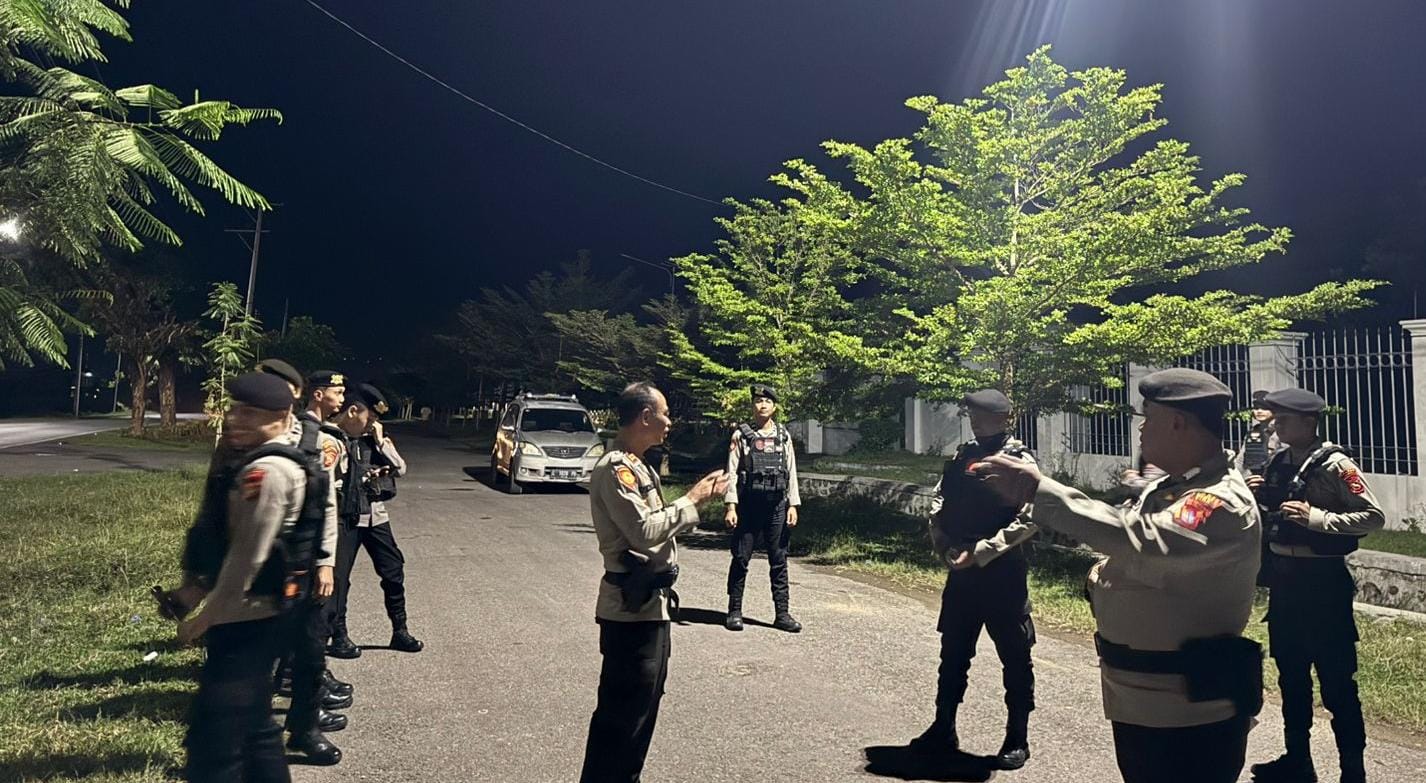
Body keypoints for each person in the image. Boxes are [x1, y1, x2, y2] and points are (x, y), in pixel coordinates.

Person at [972, 368, 1263, 783]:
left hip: (1188, 713)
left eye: (1149, 417)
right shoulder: (1170, 488)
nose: (1141, 428)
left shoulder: (1216, 501)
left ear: (1177, 423)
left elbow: (1141, 539)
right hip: (1146, 701)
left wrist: (1039, 490)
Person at [175, 372, 323, 783]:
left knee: (215, 744)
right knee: (258, 730)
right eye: (236, 410)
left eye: (251, 413)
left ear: (280, 417)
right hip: (260, 613)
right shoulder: (267, 459)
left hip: (247, 616)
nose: (236, 419)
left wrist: (204, 619)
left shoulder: (268, 471)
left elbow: (247, 558)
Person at [578, 381, 728, 783]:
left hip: (651, 606)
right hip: (630, 612)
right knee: (621, 719)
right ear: (645, 416)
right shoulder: (615, 468)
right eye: (665, 414)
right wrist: (693, 499)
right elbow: (643, 531)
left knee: (640, 715)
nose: (669, 422)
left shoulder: (639, 464)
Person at [1248, 388, 1384, 783]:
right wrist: (1257, 494)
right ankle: (1298, 761)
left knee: (1337, 681)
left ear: (1308, 422)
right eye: (1275, 419)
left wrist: (1318, 519)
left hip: (1323, 584)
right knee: (1291, 677)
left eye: (1284, 420)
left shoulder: (1337, 465)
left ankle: (1352, 771)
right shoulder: (1278, 462)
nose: (1276, 426)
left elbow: (1373, 516)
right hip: (1284, 583)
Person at [908, 388, 1036, 770]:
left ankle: (1017, 737)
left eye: (982, 415)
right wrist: (944, 545)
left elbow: (1029, 518)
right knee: (953, 654)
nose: (975, 420)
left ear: (1003, 418)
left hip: (1002, 574)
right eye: (972, 414)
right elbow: (939, 501)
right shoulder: (963, 456)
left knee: (1015, 658)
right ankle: (943, 727)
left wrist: (981, 552)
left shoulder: (1019, 461)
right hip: (962, 573)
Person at [328, 383, 424, 654]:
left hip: (375, 516)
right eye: (369, 418)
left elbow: (400, 469)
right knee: (339, 579)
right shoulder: (332, 438)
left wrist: (381, 441)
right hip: (346, 518)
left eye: (374, 420)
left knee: (393, 569)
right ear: (353, 411)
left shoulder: (374, 440)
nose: (371, 424)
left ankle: (400, 630)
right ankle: (339, 635)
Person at [723, 383, 803, 633]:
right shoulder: (741, 435)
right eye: (758, 401)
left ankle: (782, 614)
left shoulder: (783, 435)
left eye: (767, 401)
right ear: (753, 406)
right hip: (748, 506)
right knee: (740, 558)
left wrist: (793, 504)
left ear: (774, 407)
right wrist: (731, 506)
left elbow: (791, 471)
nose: (763, 405)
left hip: (777, 506)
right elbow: (731, 473)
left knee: (779, 561)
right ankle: (734, 611)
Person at [1235, 389, 1281, 476]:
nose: (1259, 411)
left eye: (1264, 408)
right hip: (1251, 477)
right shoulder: (1254, 431)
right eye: (1256, 408)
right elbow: (1241, 460)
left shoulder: (1281, 431)